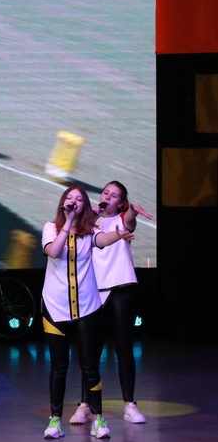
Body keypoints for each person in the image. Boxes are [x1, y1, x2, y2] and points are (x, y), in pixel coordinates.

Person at [41, 186, 134, 440]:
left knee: (90, 365)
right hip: (55, 307)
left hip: (87, 307)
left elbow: (102, 240)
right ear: (63, 202)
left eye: (79, 199)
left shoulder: (90, 231)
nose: (74, 201)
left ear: (85, 206)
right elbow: (53, 251)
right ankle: (55, 420)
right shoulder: (51, 228)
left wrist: (118, 234)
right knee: (58, 366)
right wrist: (67, 224)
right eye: (69, 197)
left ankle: (98, 418)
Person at [69, 181, 153, 427]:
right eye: (106, 192)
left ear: (120, 203)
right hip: (93, 290)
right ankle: (85, 405)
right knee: (90, 352)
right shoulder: (89, 222)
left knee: (123, 347)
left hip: (120, 288)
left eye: (114, 195)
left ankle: (130, 406)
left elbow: (129, 220)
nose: (107, 197)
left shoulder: (122, 220)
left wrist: (133, 210)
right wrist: (91, 215)